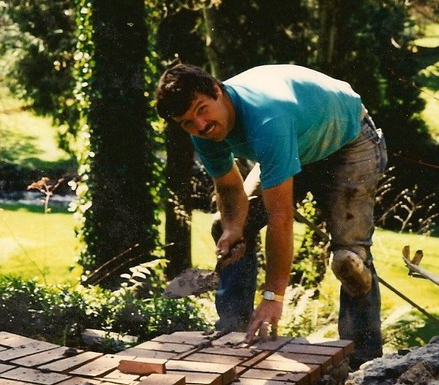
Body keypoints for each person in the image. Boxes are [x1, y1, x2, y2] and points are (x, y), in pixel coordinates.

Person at [155, 63, 387, 368]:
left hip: (349, 140)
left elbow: (281, 218)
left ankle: (364, 364)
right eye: (187, 122)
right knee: (226, 226)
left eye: (202, 110)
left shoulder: (267, 119)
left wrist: (273, 297)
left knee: (349, 260)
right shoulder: (203, 133)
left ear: (217, 90)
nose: (200, 126)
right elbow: (229, 189)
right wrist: (233, 229)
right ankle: (233, 333)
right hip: (298, 142)